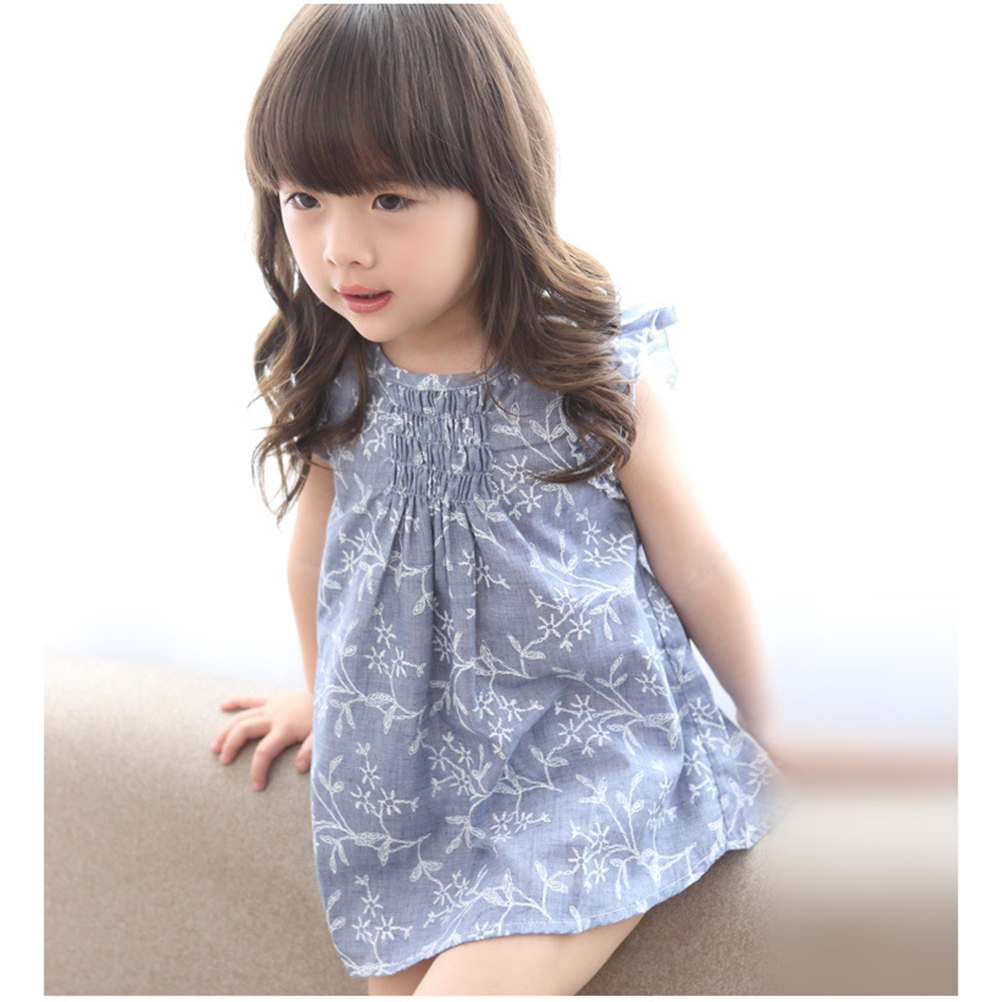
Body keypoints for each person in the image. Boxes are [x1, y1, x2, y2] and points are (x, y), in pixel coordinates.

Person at [211, 4, 782, 995]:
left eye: (390, 198)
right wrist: (326, 693)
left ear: (493, 184)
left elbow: (696, 566)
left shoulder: (588, 376)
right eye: (305, 198)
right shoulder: (342, 381)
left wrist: (779, 723)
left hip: (591, 754)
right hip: (413, 775)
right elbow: (316, 556)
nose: (341, 248)